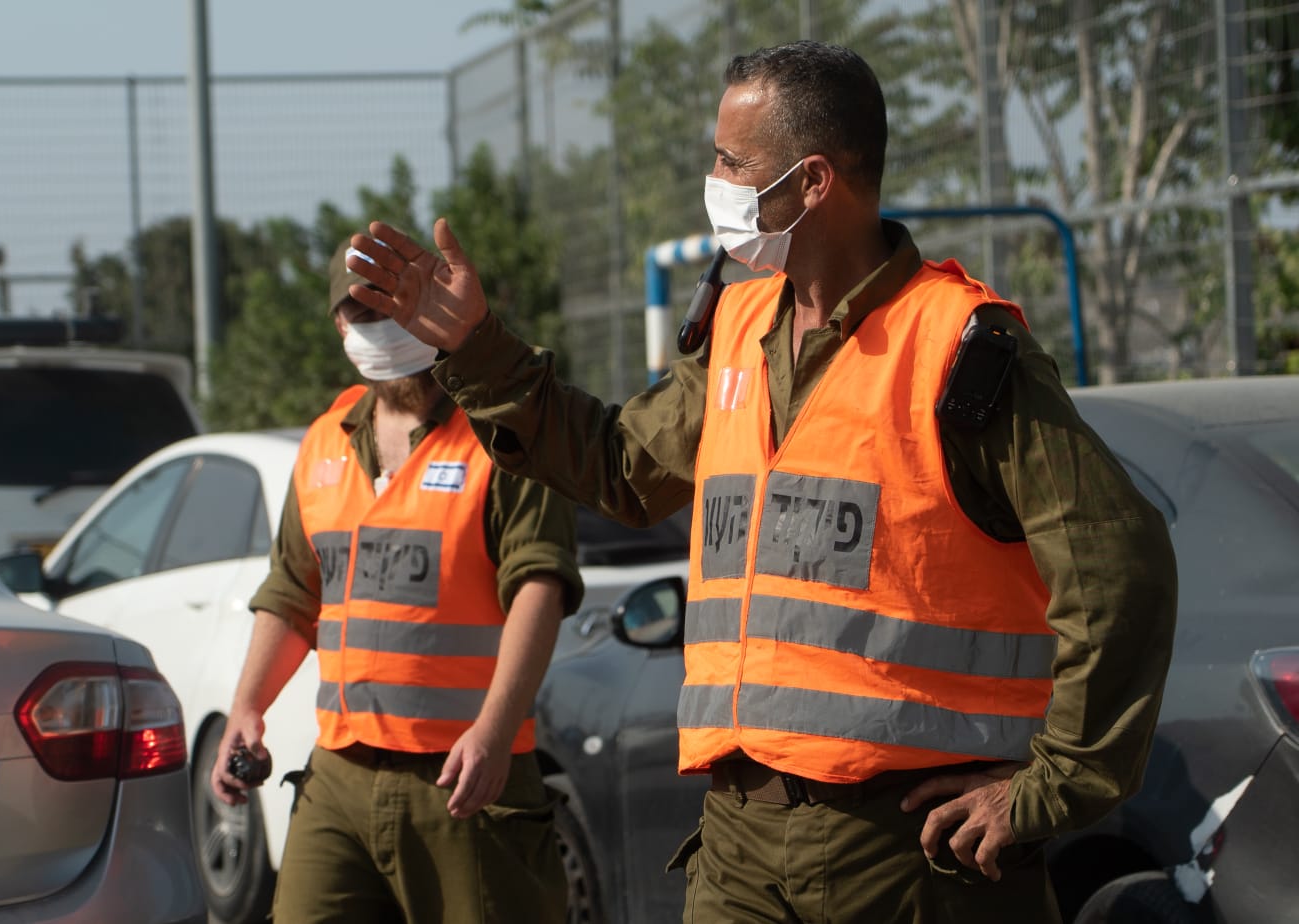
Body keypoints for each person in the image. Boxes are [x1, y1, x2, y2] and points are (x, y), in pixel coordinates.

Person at [343, 40, 1178, 924]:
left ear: (813, 182)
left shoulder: (960, 345)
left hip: (907, 858)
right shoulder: (740, 327)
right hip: (739, 842)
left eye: (732, 162)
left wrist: (1055, 785)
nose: (715, 180)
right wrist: (477, 349)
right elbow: (624, 468)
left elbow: (1117, 564)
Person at [209, 240, 584, 924]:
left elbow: (541, 585)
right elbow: (293, 593)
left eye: (392, 303)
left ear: (430, 304)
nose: (380, 323)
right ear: (338, 326)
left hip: (465, 777)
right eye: (361, 309)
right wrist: (247, 708)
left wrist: (495, 732)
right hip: (341, 776)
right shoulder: (325, 441)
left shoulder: (502, 429)